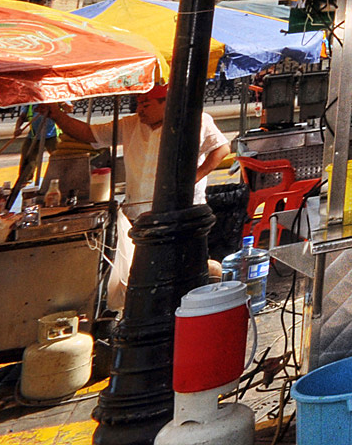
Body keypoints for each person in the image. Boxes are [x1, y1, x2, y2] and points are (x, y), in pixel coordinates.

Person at [47, 84, 232, 306]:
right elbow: (88, 134)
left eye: (146, 104)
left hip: (182, 211)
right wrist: (55, 114)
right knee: (146, 269)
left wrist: (194, 177)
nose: (139, 110)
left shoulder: (196, 120)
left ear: (166, 104)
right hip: (139, 213)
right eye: (138, 104)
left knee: (183, 266)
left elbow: (221, 149)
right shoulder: (130, 125)